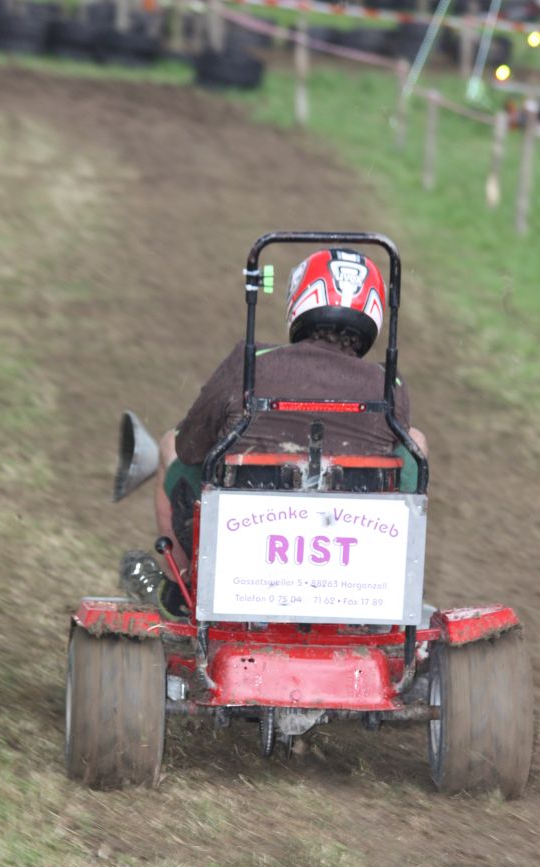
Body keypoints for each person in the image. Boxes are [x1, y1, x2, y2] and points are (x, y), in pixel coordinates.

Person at [153, 247, 427, 606]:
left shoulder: (250, 361)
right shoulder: (389, 383)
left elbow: (190, 446)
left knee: (169, 445)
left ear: (300, 298)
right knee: (415, 444)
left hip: (249, 542)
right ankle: (391, 580)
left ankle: (181, 590)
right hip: (352, 549)